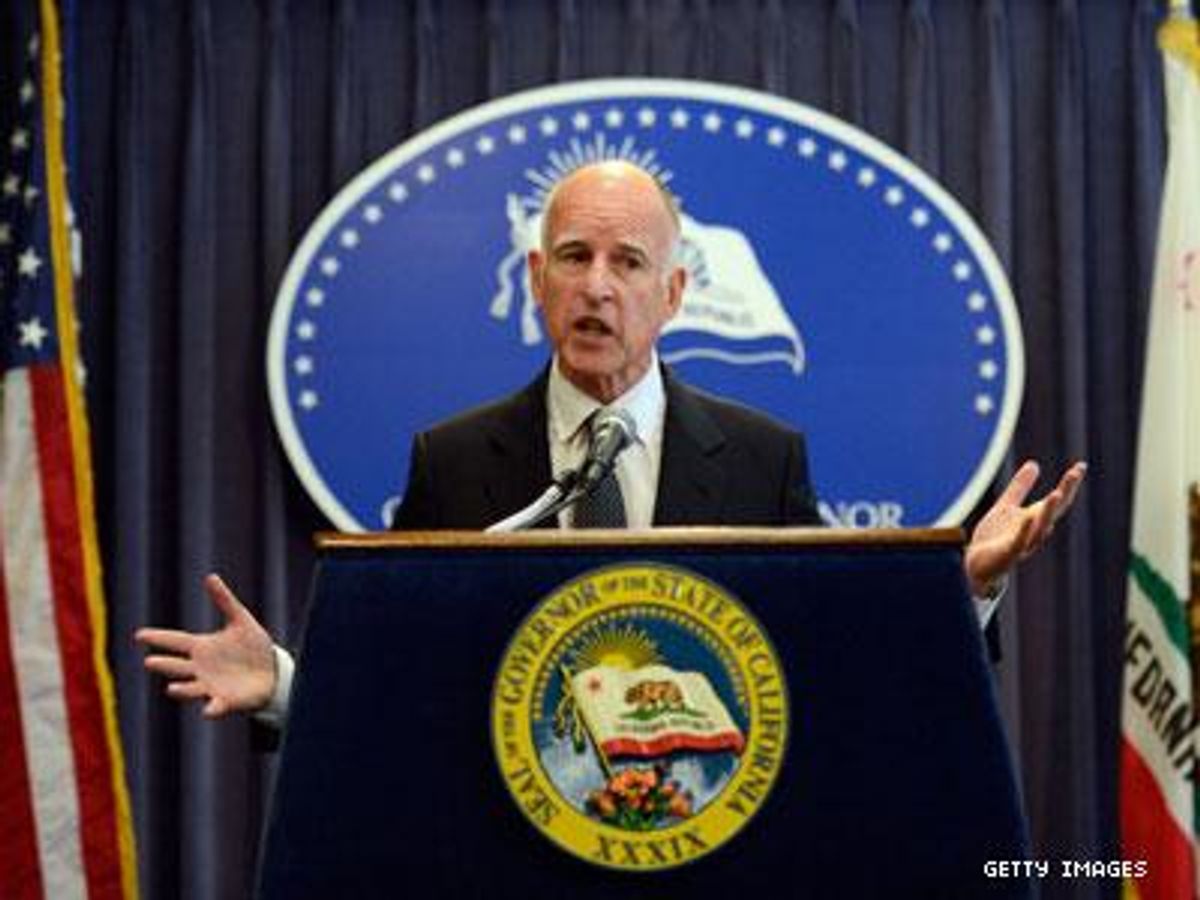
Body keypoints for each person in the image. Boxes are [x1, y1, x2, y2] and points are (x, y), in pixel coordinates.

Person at [135, 160, 1087, 722]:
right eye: (574, 258)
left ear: (672, 295)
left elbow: (833, 661)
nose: (597, 285)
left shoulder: (764, 459)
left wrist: (968, 587)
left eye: (628, 261)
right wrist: (283, 684)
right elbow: (398, 679)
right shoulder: (452, 462)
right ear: (535, 279)